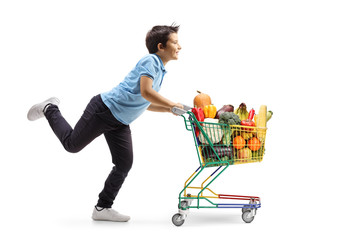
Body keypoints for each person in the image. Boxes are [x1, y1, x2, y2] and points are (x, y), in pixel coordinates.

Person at [27, 24, 183, 222]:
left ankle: (102, 208)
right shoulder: (150, 61)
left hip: (120, 122)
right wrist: (172, 103)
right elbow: (146, 93)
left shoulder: (160, 71)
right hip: (104, 109)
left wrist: (171, 109)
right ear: (161, 46)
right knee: (72, 145)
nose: (180, 46)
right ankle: (50, 108)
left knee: (124, 164)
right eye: (175, 42)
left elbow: (145, 102)